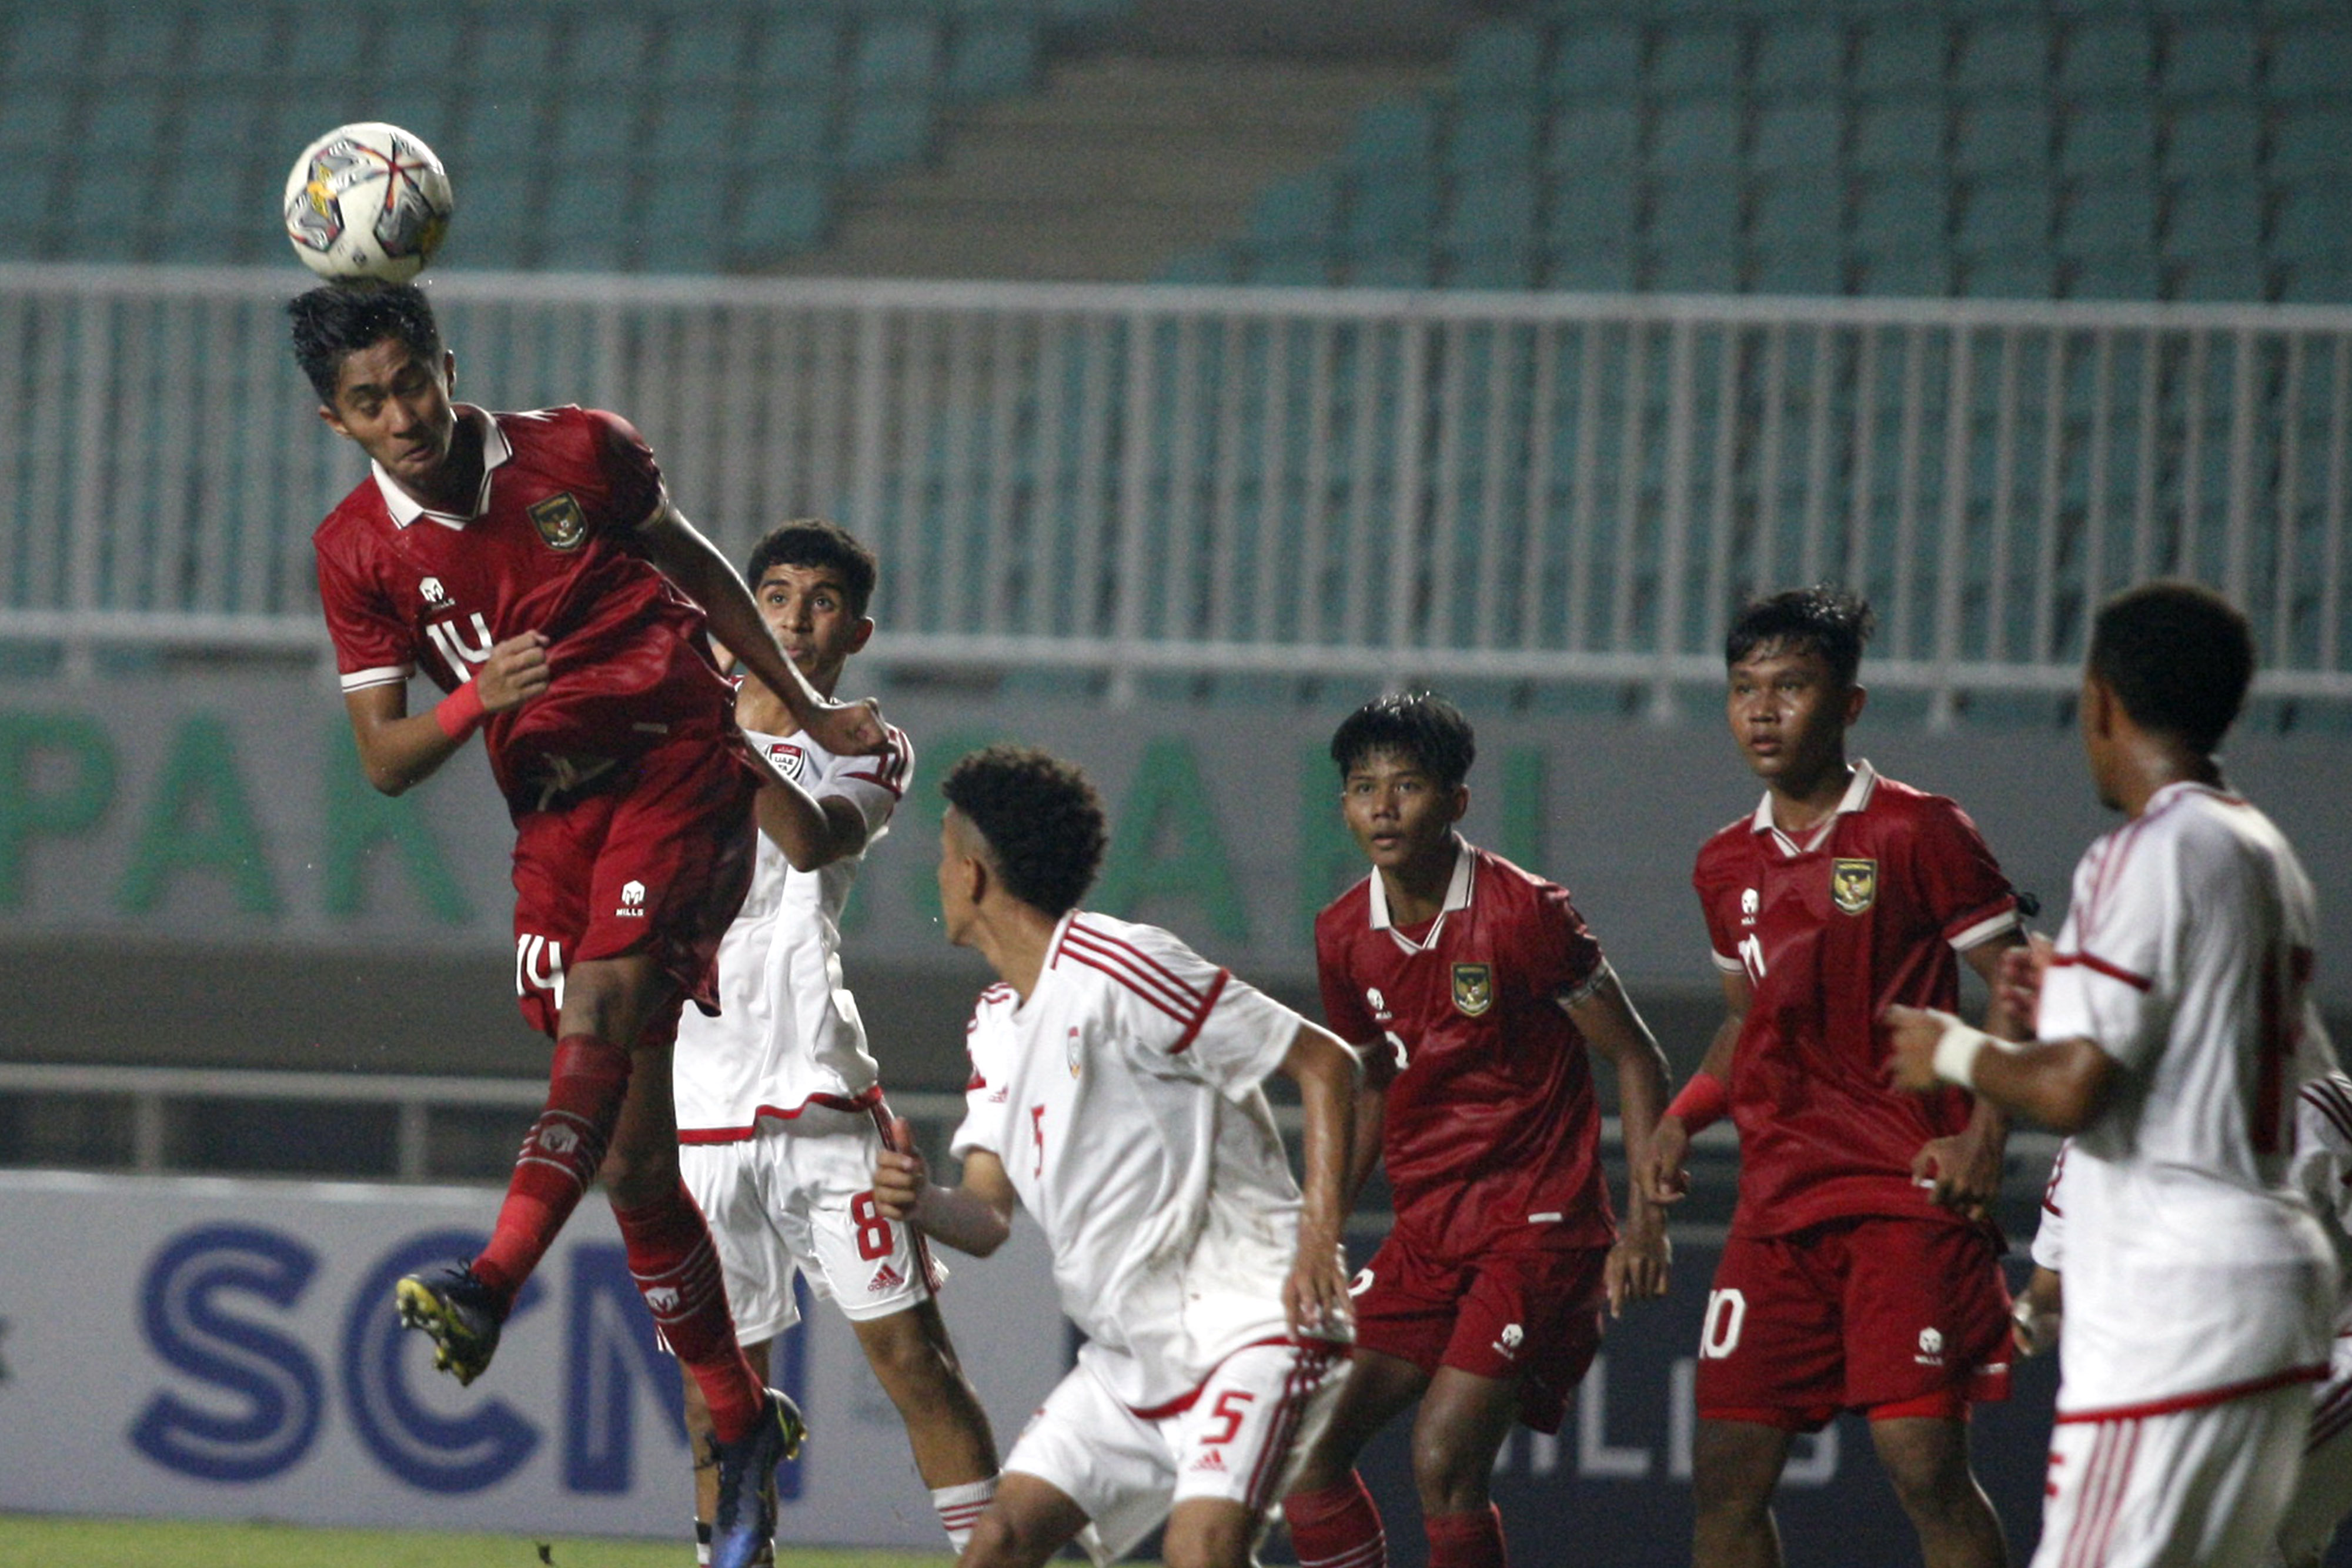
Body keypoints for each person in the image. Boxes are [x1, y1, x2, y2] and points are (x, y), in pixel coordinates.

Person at [290, 282, 879, 1568]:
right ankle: (742, 1427)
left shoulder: (577, 451)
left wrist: (799, 704)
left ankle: (489, 1279)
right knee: (634, 1165)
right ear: (337, 422)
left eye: (411, 383)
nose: (402, 417)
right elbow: (385, 759)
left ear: (448, 364)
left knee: (602, 1009)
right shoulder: (356, 551)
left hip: (675, 755)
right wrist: (473, 701)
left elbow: (706, 577)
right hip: (553, 813)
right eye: (369, 402)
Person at [1886, 580, 2336, 1568]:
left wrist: (1951, 1049)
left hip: (2178, 1301)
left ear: (2101, 701)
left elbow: (2073, 1092)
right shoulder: (2264, 852)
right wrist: (2077, 992)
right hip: (2275, 1299)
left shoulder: (2146, 850)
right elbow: (2222, 1049)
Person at [869, 745, 1359, 1568]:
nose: (938, 874)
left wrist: (1318, 1242)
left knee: (1200, 1551)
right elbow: (987, 1217)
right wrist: (919, 1201)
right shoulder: (995, 1025)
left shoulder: (1120, 965)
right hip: (1129, 1361)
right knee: (999, 1543)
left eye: (945, 855)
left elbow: (1327, 1064)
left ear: (975, 875)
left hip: (1253, 1322)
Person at [1650, 586, 2028, 1568]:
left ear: (1848, 704)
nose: (1763, 711)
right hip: (1778, 1208)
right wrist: (1683, 1119)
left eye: (1791, 687)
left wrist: (1984, 1135)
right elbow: (1750, 1020)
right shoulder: (1722, 863)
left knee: (1924, 1470)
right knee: (1726, 1478)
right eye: (1745, 689)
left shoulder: (1917, 829)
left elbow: (2020, 982)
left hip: (1904, 1195)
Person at [669, 520, 1000, 1564]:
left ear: (856, 631)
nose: (795, 620)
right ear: (743, 610)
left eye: (821, 603)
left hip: (816, 1097)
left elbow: (810, 840)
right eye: (773, 596)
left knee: (914, 1363)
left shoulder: (867, 744)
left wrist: (705, 728)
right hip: (694, 1101)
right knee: (718, 1395)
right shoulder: (671, 718)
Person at [1281, 691, 1672, 1568]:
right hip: (1431, 1232)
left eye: (1407, 785)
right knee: (1303, 1449)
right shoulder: (1341, 933)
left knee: (1443, 1458)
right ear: (1343, 806)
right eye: (1363, 788)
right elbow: (1371, 1087)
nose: (1383, 808)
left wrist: (1647, 1224)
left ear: (1456, 800)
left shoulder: (1524, 912)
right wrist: (1320, 1229)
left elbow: (1638, 1057)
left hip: (1539, 1227)